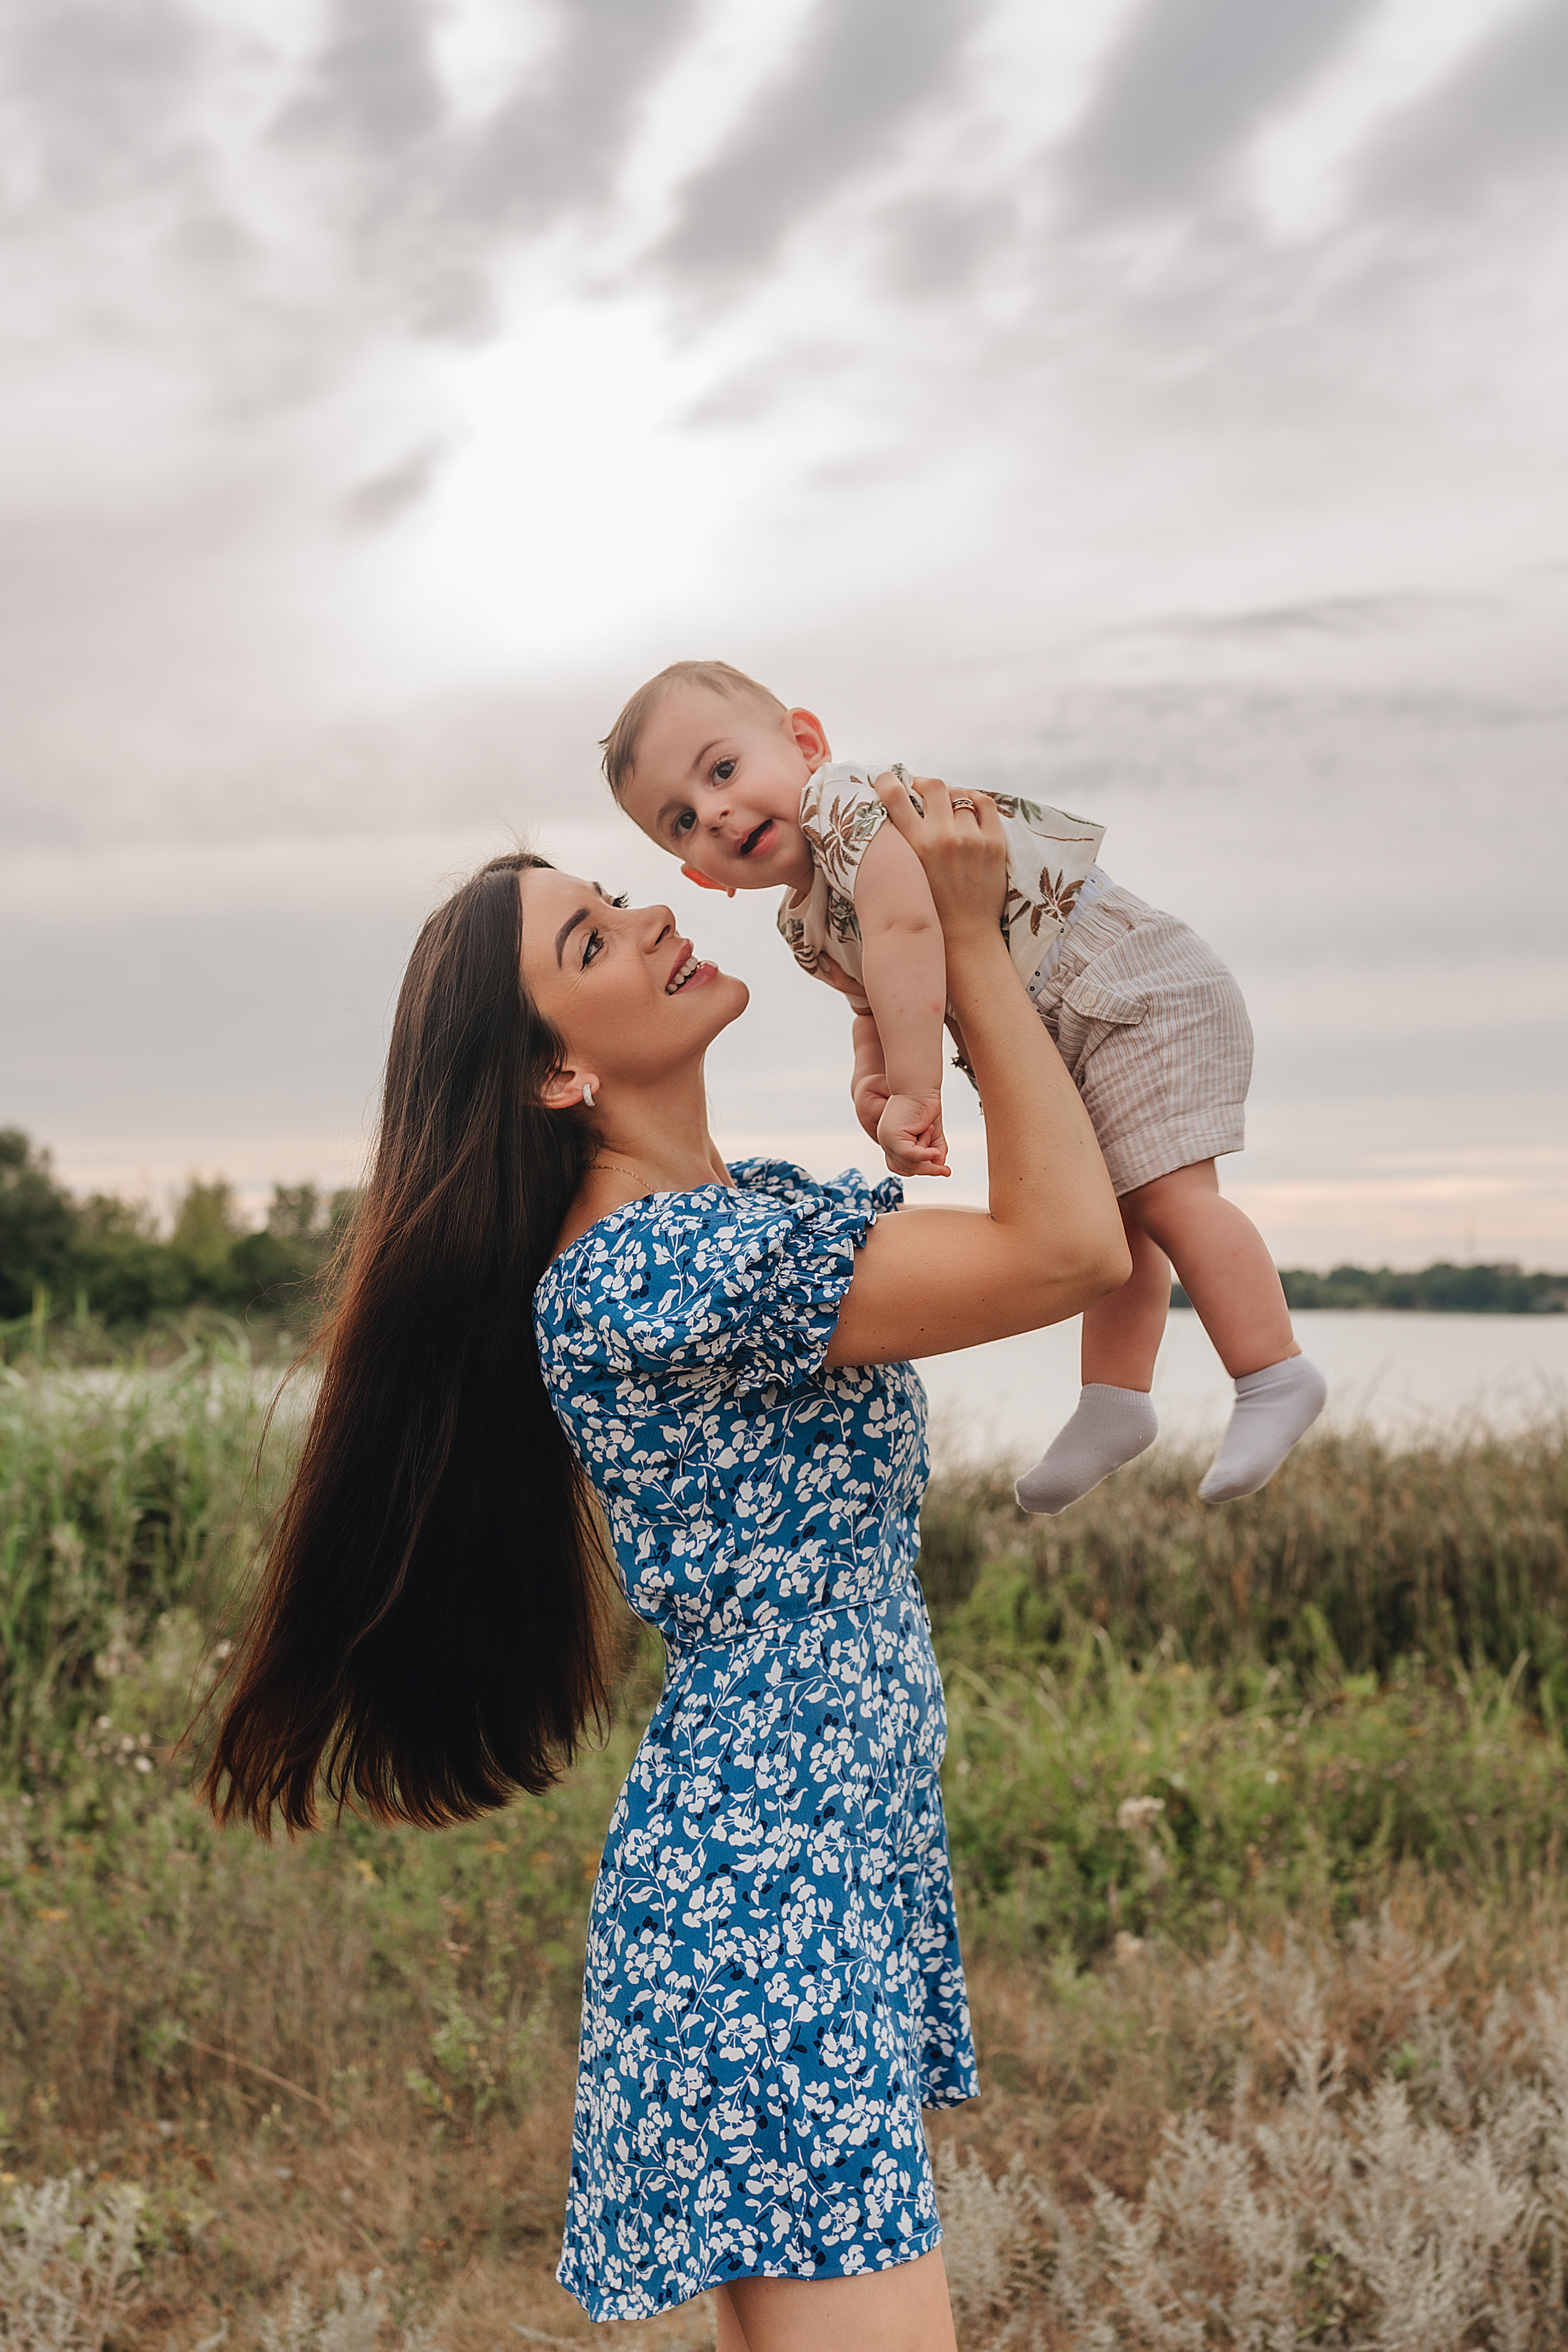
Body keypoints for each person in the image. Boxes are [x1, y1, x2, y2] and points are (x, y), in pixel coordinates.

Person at [198, 780, 1128, 2351]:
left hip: (803, 1868)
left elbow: (1047, 1222)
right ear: (559, 1068)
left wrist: (900, 975)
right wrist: (958, 937)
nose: (650, 913)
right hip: (763, 1888)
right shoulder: (661, 1271)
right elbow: (1066, 1250)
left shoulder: (728, 1224)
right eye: (592, 937)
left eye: (613, 897)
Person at [602, 658, 1328, 1513]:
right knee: (1117, 1216)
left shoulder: (844, 805)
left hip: (1128, 984)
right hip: (1057, 1030)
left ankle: (1273, 1371)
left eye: (723, 770)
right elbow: (875, 998)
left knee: (1169, 1197)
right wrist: (873, 1074)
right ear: (701, 876)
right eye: (684, 820)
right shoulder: (804, 920)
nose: (717, 812)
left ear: (804, 744)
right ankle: (1116, 1402)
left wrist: (917, 1091)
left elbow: (909, 925)